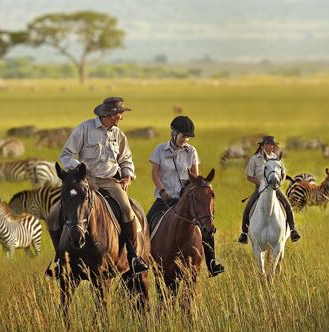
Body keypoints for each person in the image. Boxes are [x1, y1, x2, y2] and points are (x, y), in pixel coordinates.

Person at [46, 96, 149, 276]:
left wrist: (127, 176)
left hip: (110, 182)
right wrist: (79, 170)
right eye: (120, 114)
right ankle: (59, 260)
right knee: (54, 214)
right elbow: (66, 155)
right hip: (86, 180)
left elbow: (126, 159)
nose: (122, 118)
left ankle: (133, 257)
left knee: (127, 210)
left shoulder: (119, 134)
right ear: (110, 114)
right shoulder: (84, 129)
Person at [147, 115, 225, 277]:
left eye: (188, 137)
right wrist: (162, 191)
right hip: (165, 199)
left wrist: (192, 191)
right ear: (173, 133)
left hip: (186, 199)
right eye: (183, 136)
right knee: (147, 224)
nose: (185, 140)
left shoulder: (191, 151)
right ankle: (142, 260)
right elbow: (155, 174)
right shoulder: (160, 150)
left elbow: (195, 177)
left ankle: (212, 263)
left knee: (206, 226)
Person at [237, 136, 301, 244]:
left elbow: (283, 173)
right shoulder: (254, 159)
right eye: (269, 144)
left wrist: (281, 180)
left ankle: (293, 230)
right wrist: (260, 183)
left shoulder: (276, 158)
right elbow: (249, 176)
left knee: (288, 205)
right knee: (247, 208)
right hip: (259, 188)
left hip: (274, 187)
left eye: (273, 145)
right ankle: (244, 233)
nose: (271, 147)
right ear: (262, 146)